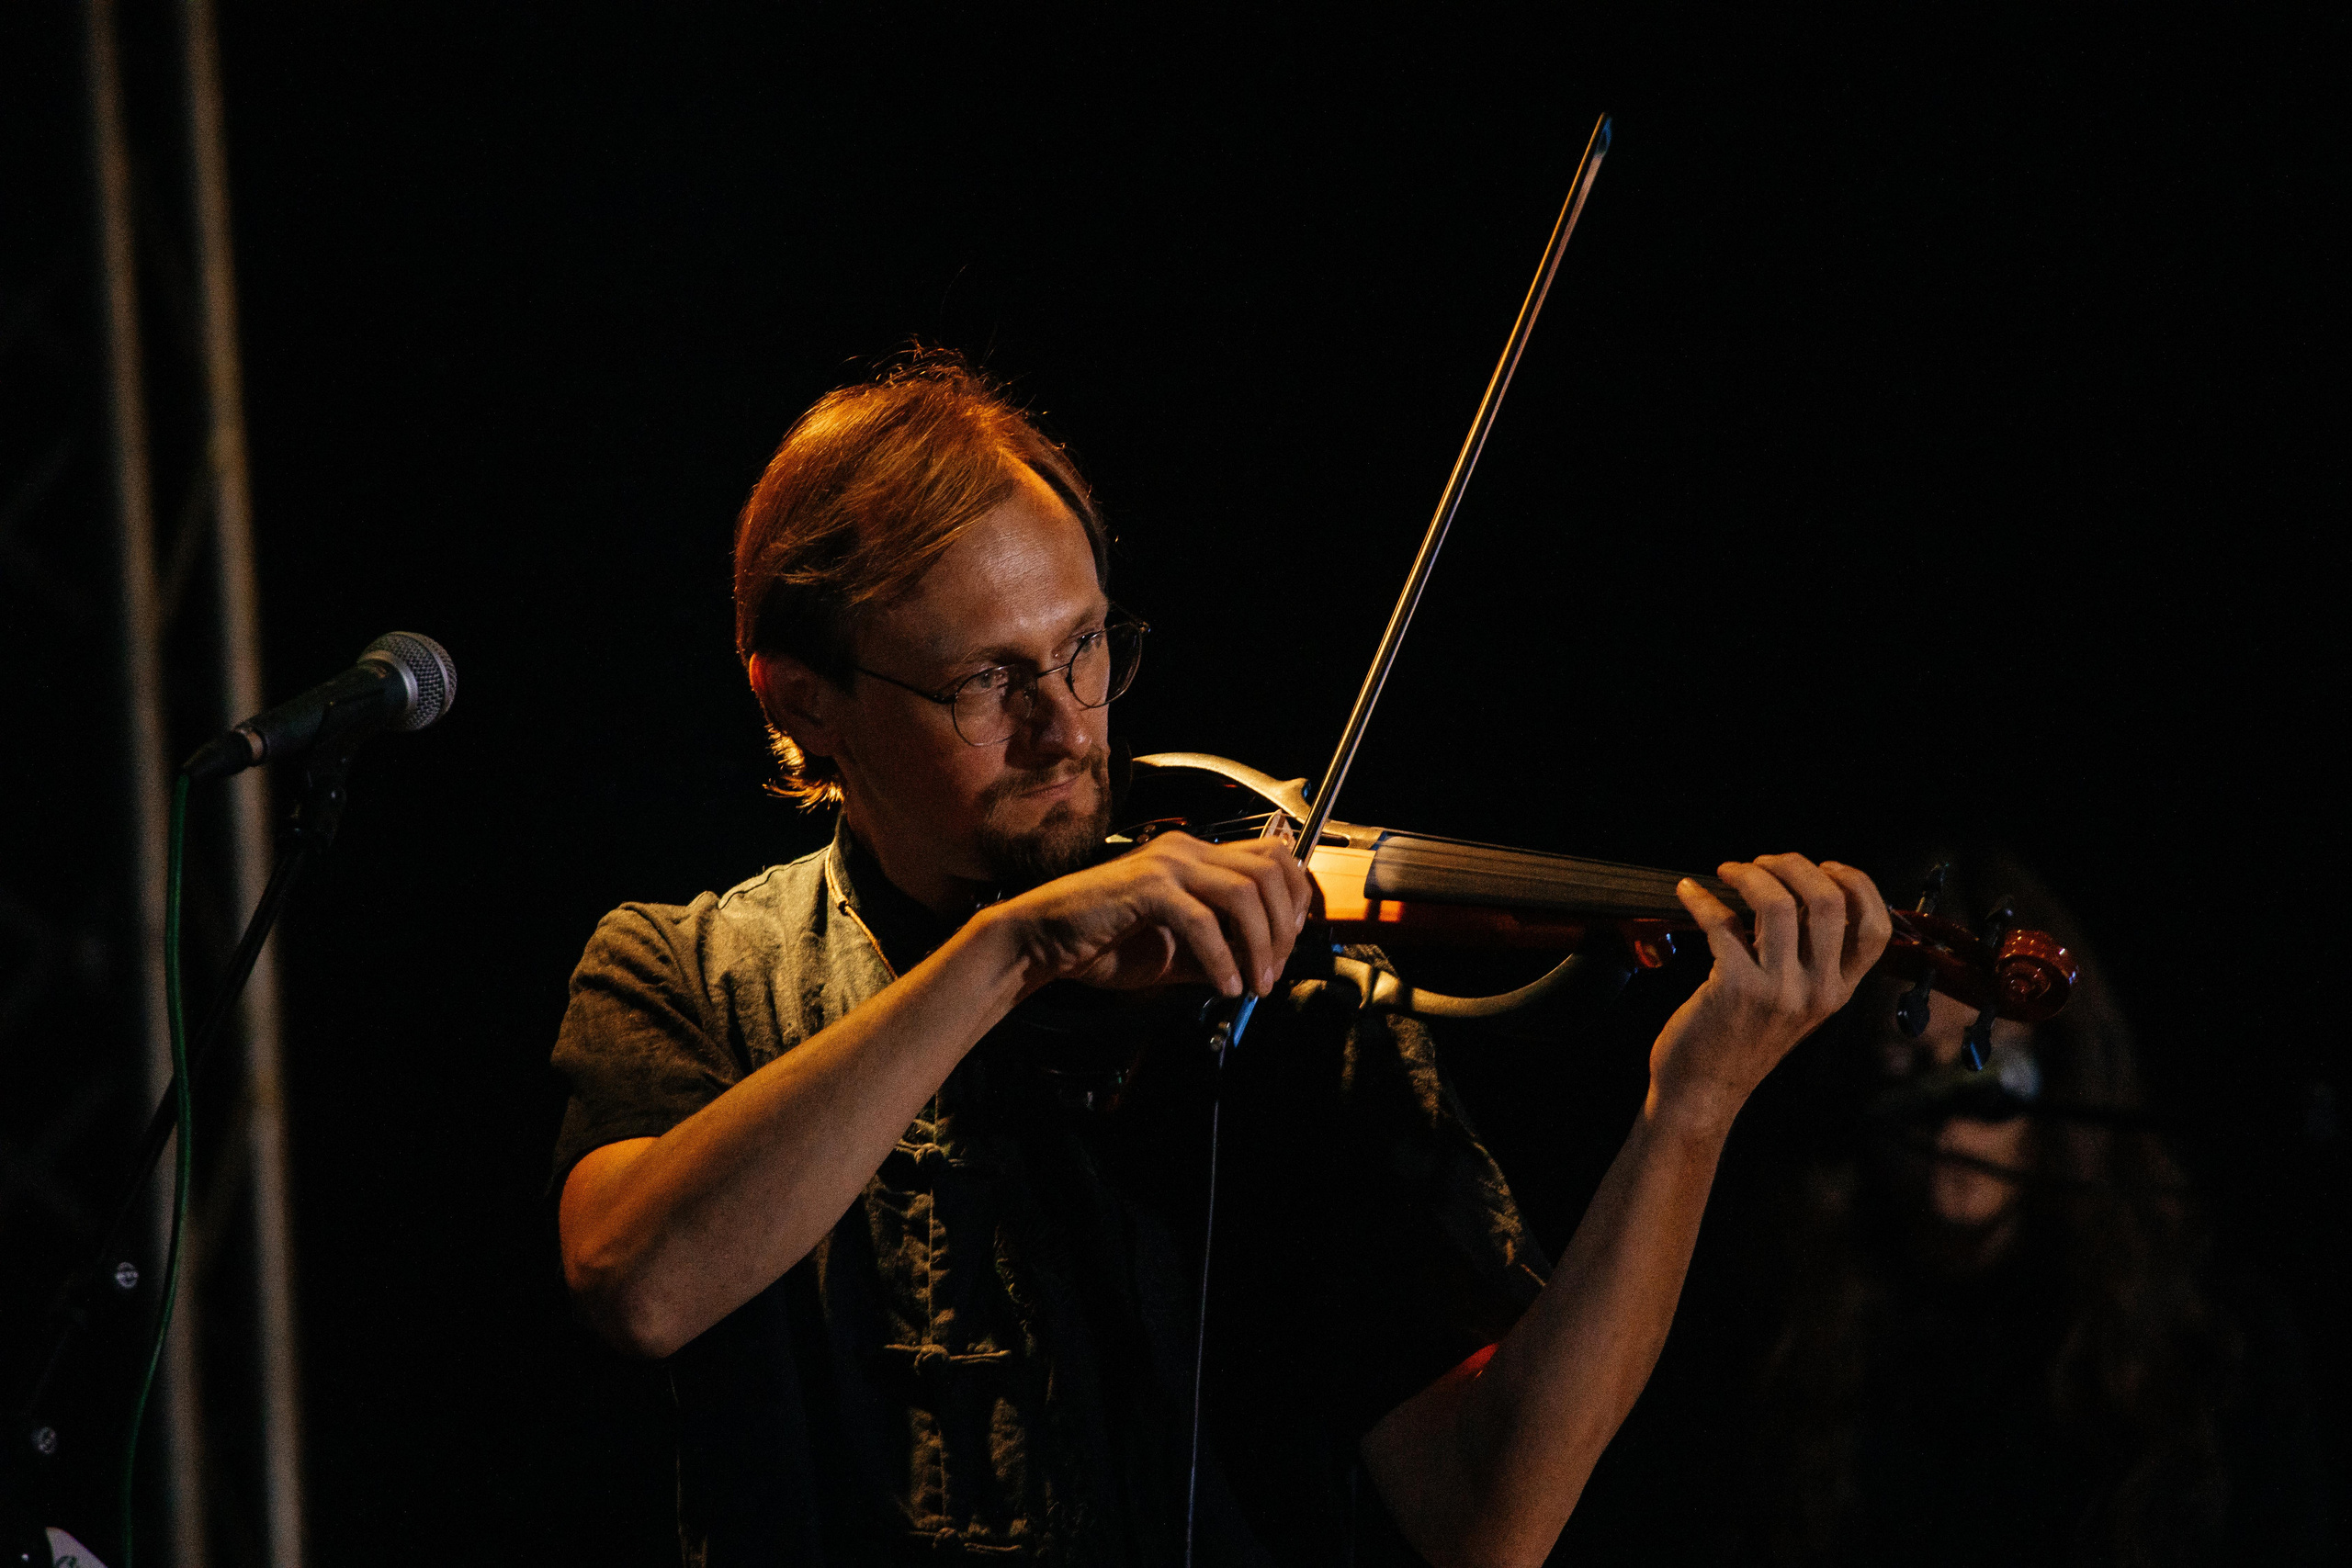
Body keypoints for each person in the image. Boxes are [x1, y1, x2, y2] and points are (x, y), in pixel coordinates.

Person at [548, 351, 1892, 1566]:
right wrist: (1009, 948)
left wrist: (1693, 1109)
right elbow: (642, 1279)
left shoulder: (1274, 1007)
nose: (1069, 730)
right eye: (986, 683)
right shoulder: (691, 971)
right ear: (802, 699)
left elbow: (1491, 1513)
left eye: (1084, 650)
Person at [1730, 849, 2335, 1567]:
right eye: (1906, 1062)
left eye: (1985, 1056)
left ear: (2060, 1068)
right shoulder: (1793, 1334)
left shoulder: (2212, 1342)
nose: (1949, 1109)